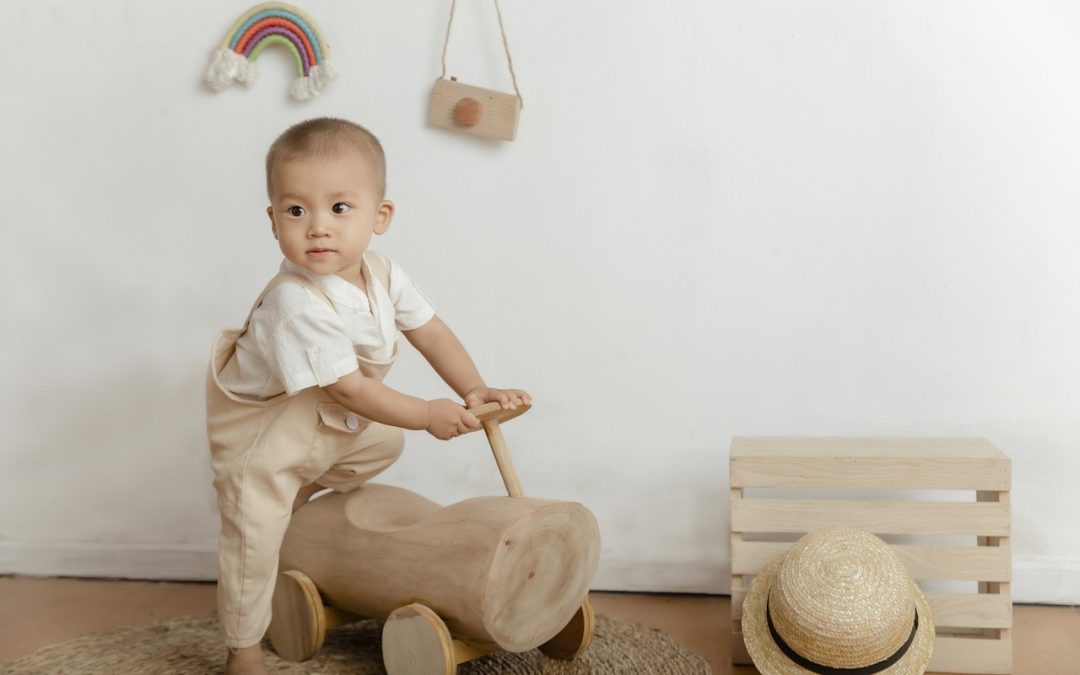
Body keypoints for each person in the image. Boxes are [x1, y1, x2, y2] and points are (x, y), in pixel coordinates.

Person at [206, 117, 530, 675]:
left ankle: (299, 492)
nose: (317, 229)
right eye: (296, 210)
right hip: (264, 436)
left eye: (339, 208)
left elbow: (431, 331)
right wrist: (427, 414)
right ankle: (243, 648)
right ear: (273, 220)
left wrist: (473, 388)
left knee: (382, 444)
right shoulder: (295, 303)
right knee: (252, 543)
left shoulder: (382, 274)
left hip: (321, 423)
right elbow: (351, 390)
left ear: (380, 217)